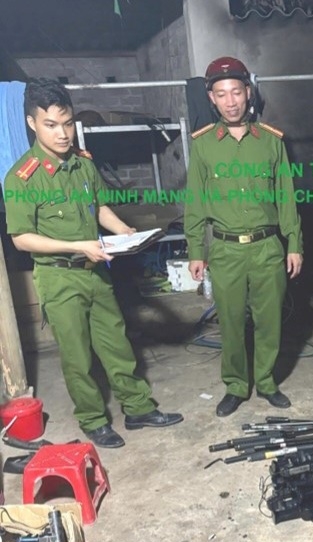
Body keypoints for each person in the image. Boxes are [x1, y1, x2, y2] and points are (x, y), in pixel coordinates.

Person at [3, 78, 183, 449]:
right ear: (32, 123)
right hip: (59, 279)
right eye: (51, 125)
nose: (62, 134)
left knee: (117, 344)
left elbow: (99, 206)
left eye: (67, 123)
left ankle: (138, 409)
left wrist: (124, 231)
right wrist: (77, 245)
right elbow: (21, 238)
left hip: (96, 272)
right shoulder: (22, 178)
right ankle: (93, 420)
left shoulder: (82, 164)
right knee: (77, 356)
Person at [184, 56, 303, 417]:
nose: (231, 101)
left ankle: (266, 382)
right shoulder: (204, 145)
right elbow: (195, 201)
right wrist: (196, 250)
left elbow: (286, 197)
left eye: (236, 92)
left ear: (248, 92)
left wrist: (294, 244)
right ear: (212, 98)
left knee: (270, 321)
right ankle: (236, 385)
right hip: (225, 250)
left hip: (267, 247)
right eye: (222, 94)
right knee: (231, 323)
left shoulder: (271, 142)